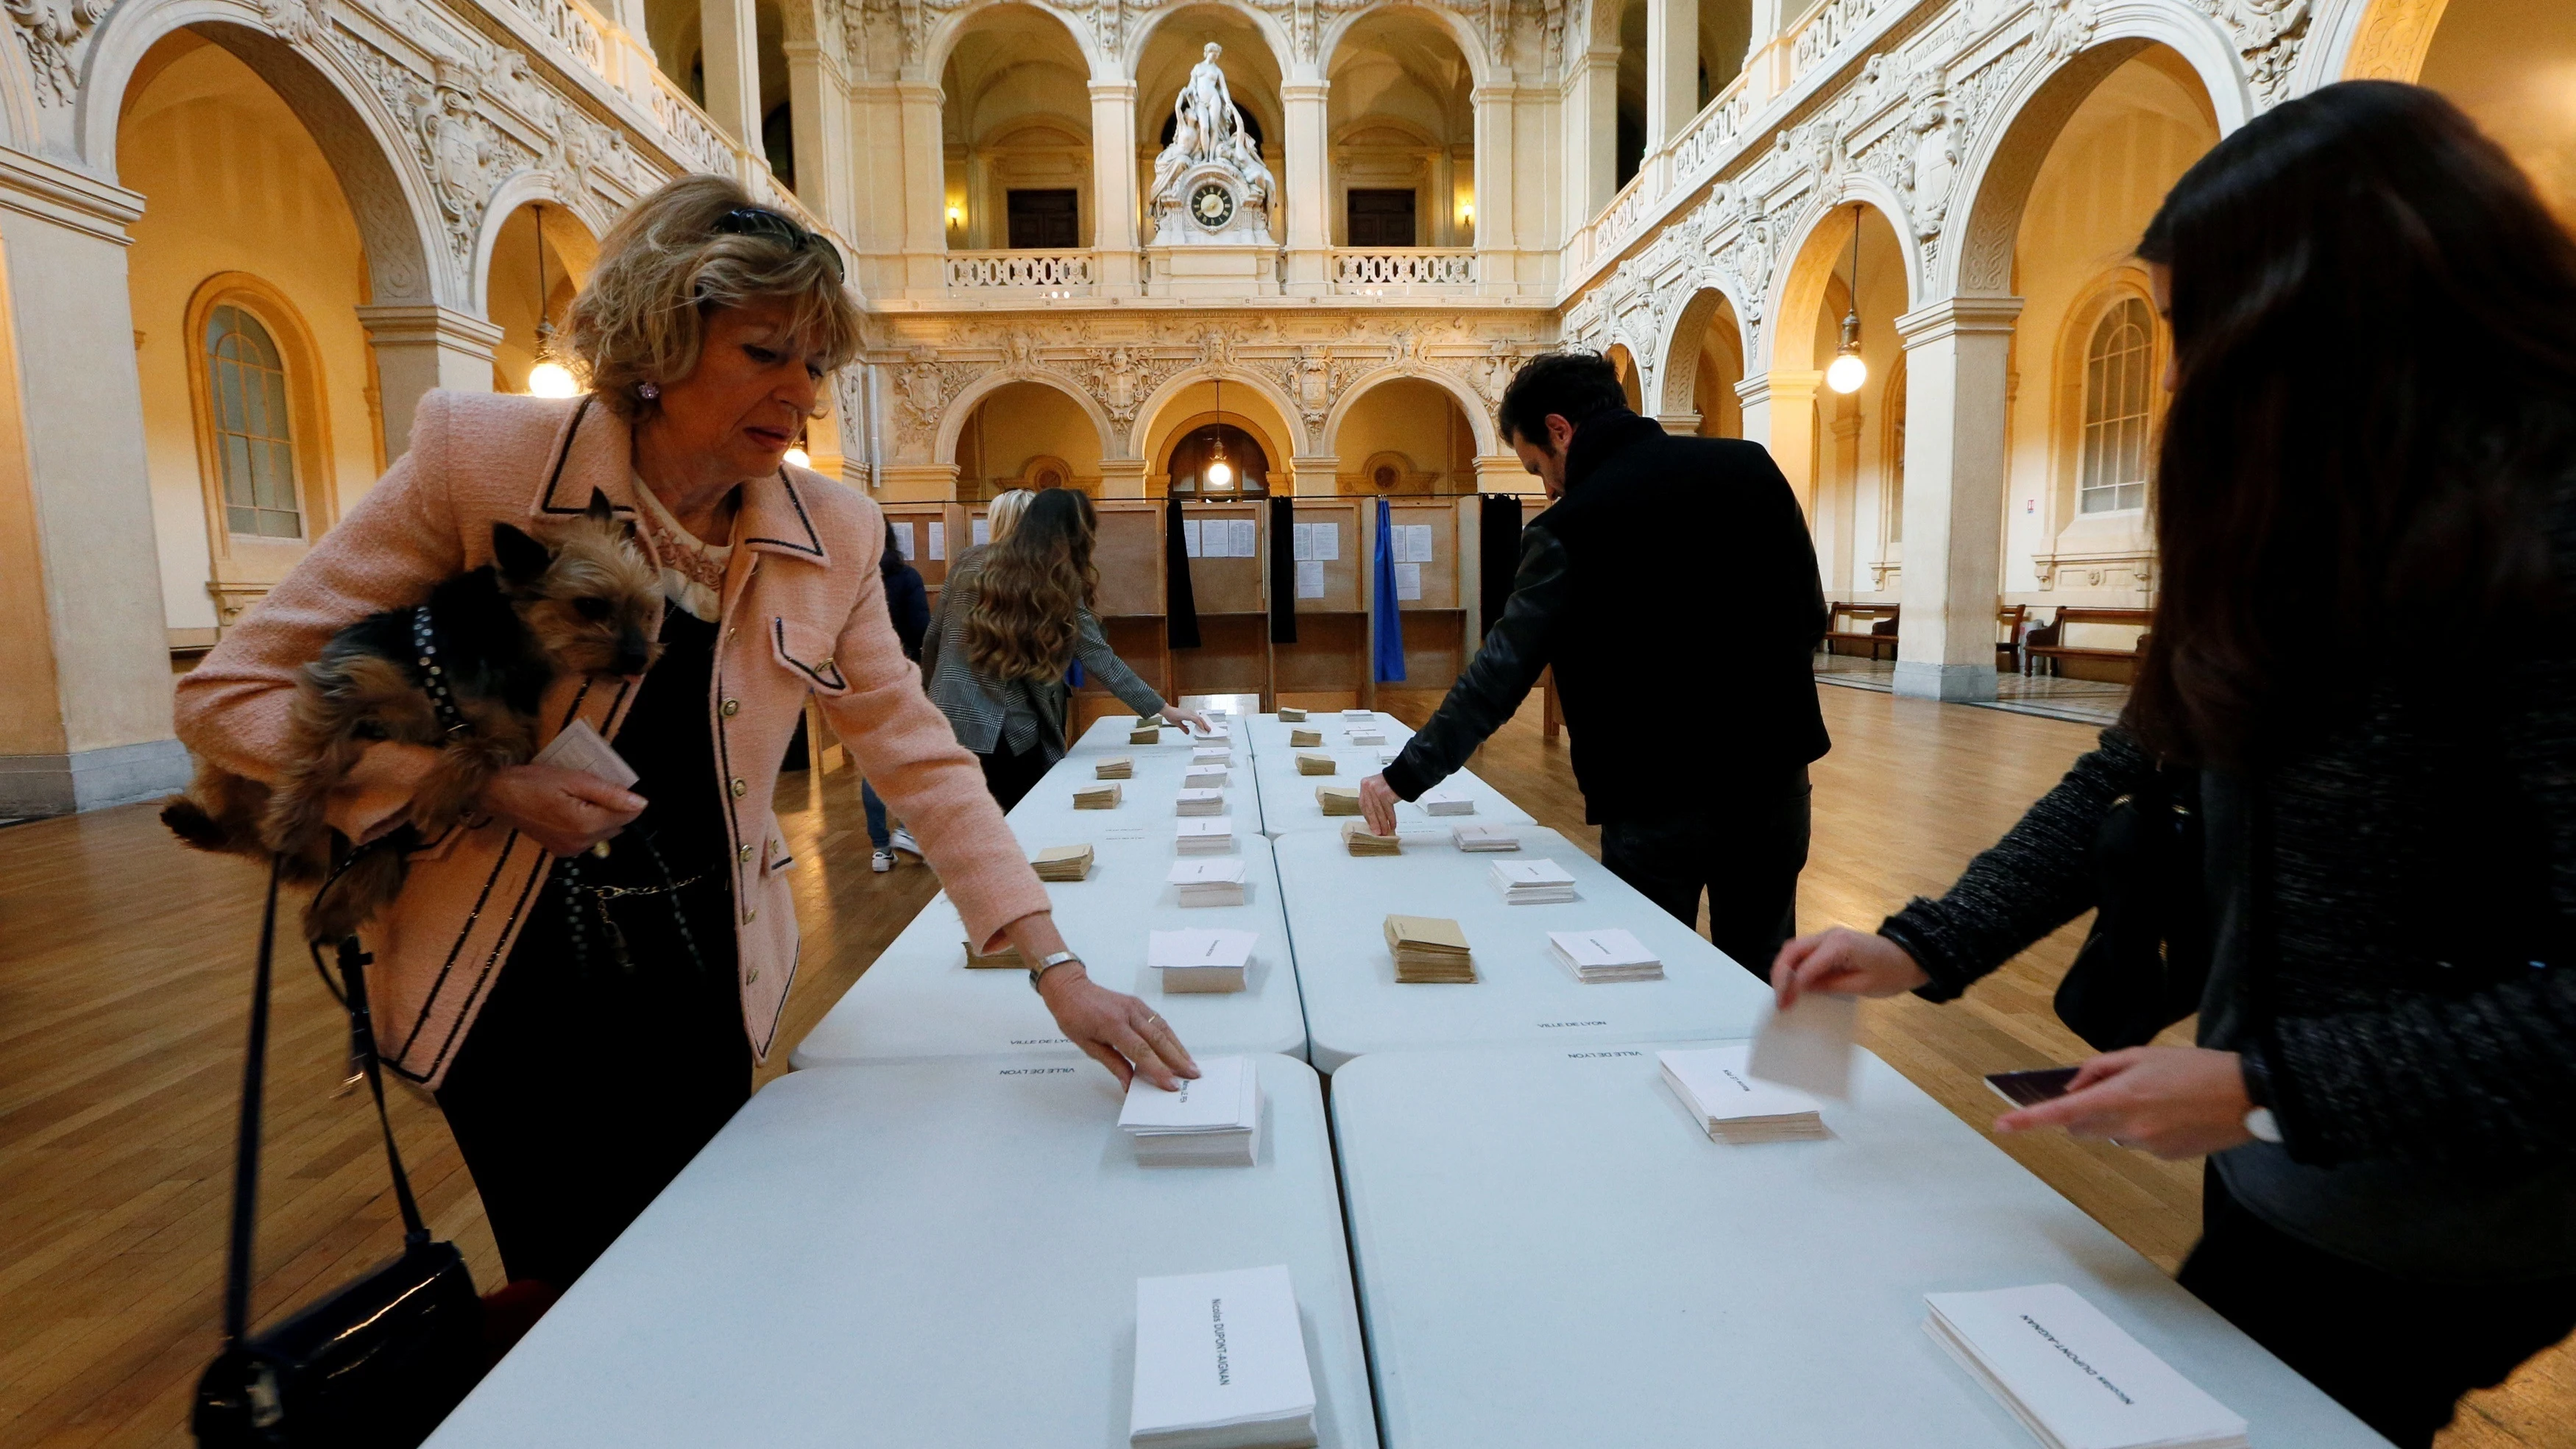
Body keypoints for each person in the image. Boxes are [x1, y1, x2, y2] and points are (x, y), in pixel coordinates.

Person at [171, 175, 1197, 1300]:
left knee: (709, 1263)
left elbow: (918, 751)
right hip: (510, 981)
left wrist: (1055, 966)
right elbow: (228, 696)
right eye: (767, 354)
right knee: (582, 1283)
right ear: (659, 337)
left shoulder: (834, 531)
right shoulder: (488, 459)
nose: (801, 394)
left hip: (709, 965)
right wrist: (479, 786)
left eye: (816, 364)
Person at [1769, 82, 2576, 1449]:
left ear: (2326, 322)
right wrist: (1921, 943)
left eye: (2195, 329)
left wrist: (2269, 1083)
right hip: (2283, 1161)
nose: (2178, 380)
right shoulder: (2310, 528)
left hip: (2443, 1208)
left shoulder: (2539, 550)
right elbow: (2128, 775)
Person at [1357, 350, 1829, 977]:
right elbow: (1810, 613)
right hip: (1773, 783)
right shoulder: (1751, 467)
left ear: (1560, 430)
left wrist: (1403, 776)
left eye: (1537, 467)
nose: (1546, 487)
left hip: (1653, 795)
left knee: (1647, 972)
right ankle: (1761, 1078)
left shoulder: (1570, 527)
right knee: (1765, 978)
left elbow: (1498, 675)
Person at [924, 487, 1203, 810]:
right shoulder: (1053, 577)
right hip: (1009, 730)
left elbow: (933, 639)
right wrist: (1164, 709)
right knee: (1023, 824)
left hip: (950, 722)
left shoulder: (968, 561)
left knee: (966, 828)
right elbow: (1100, 657)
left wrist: (932, 700)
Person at [865, 517, 930, 872]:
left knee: (872, 762)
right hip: (902, 673)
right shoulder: (907, 578)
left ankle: (880, 848)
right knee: (913, 755)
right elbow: (922, 630)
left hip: (860, 679)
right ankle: (907, 830)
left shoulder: (850, 579)